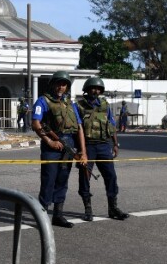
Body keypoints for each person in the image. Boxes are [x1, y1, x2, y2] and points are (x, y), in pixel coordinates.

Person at [31, 71, 87, 228]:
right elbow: (36, 123)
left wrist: (83, 152)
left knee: (62, 180)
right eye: (58, 83)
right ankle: (42, 218)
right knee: (48, 180)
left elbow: (79, 128)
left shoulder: (70, 104)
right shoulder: (43, 101)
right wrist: (49, 141)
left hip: (68, 144)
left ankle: (58, 215)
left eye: (64, 84)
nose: (61, 87)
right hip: (52, 146)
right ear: (52, 84)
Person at [76, 77, 129, 222]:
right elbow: (77, 129)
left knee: (111, 176)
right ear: (87, 90)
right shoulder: (79, 106)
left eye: (98, 89)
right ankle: (88, 209)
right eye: (93, 88)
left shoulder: (105, 105)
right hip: (88, 146)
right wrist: (80, 150)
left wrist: (115, 144)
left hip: (104, 145)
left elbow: (111, 125)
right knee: (85, 177)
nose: (96, 91)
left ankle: (113, 208)